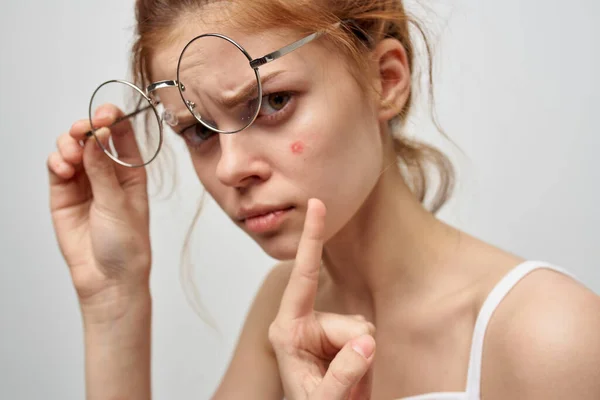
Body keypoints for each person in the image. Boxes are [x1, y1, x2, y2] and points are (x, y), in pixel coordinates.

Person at [47, 0, 600, 399]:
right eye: (199, 131)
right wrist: (113, 304)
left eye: (275, 101)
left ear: (385, 80)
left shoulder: (550, 336)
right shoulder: (286, 310)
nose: (233, 168)